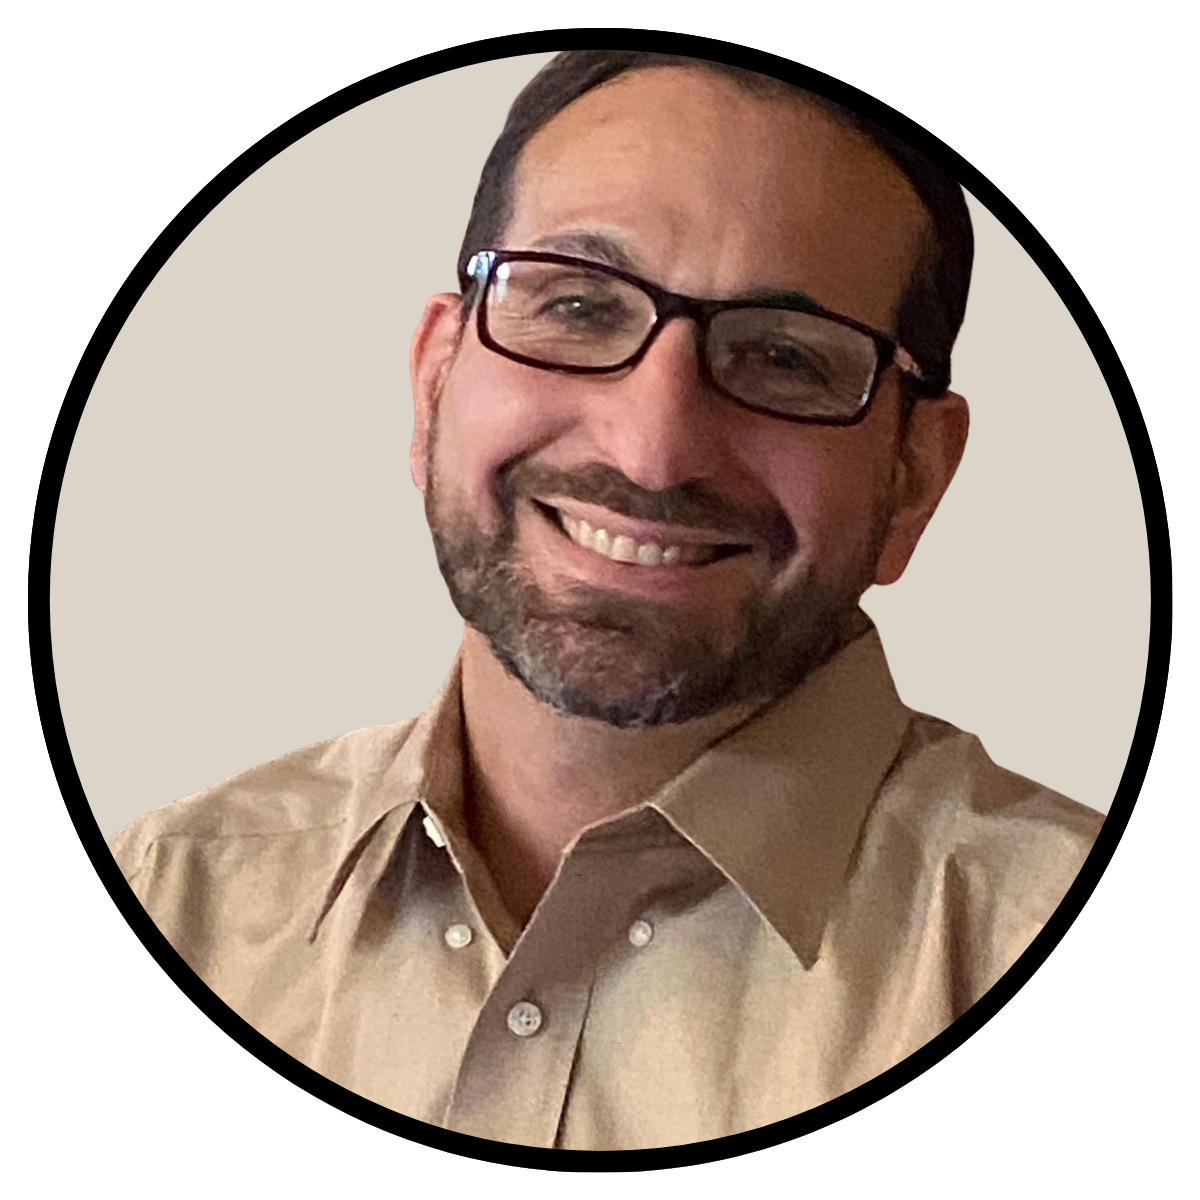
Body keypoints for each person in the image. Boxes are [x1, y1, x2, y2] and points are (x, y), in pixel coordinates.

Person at [107, 50, 1103, 1150]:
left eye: (784, 357)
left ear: (916, 476)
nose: (652, 448)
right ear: (434, 380)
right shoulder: (160, 906)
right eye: (578, 306)